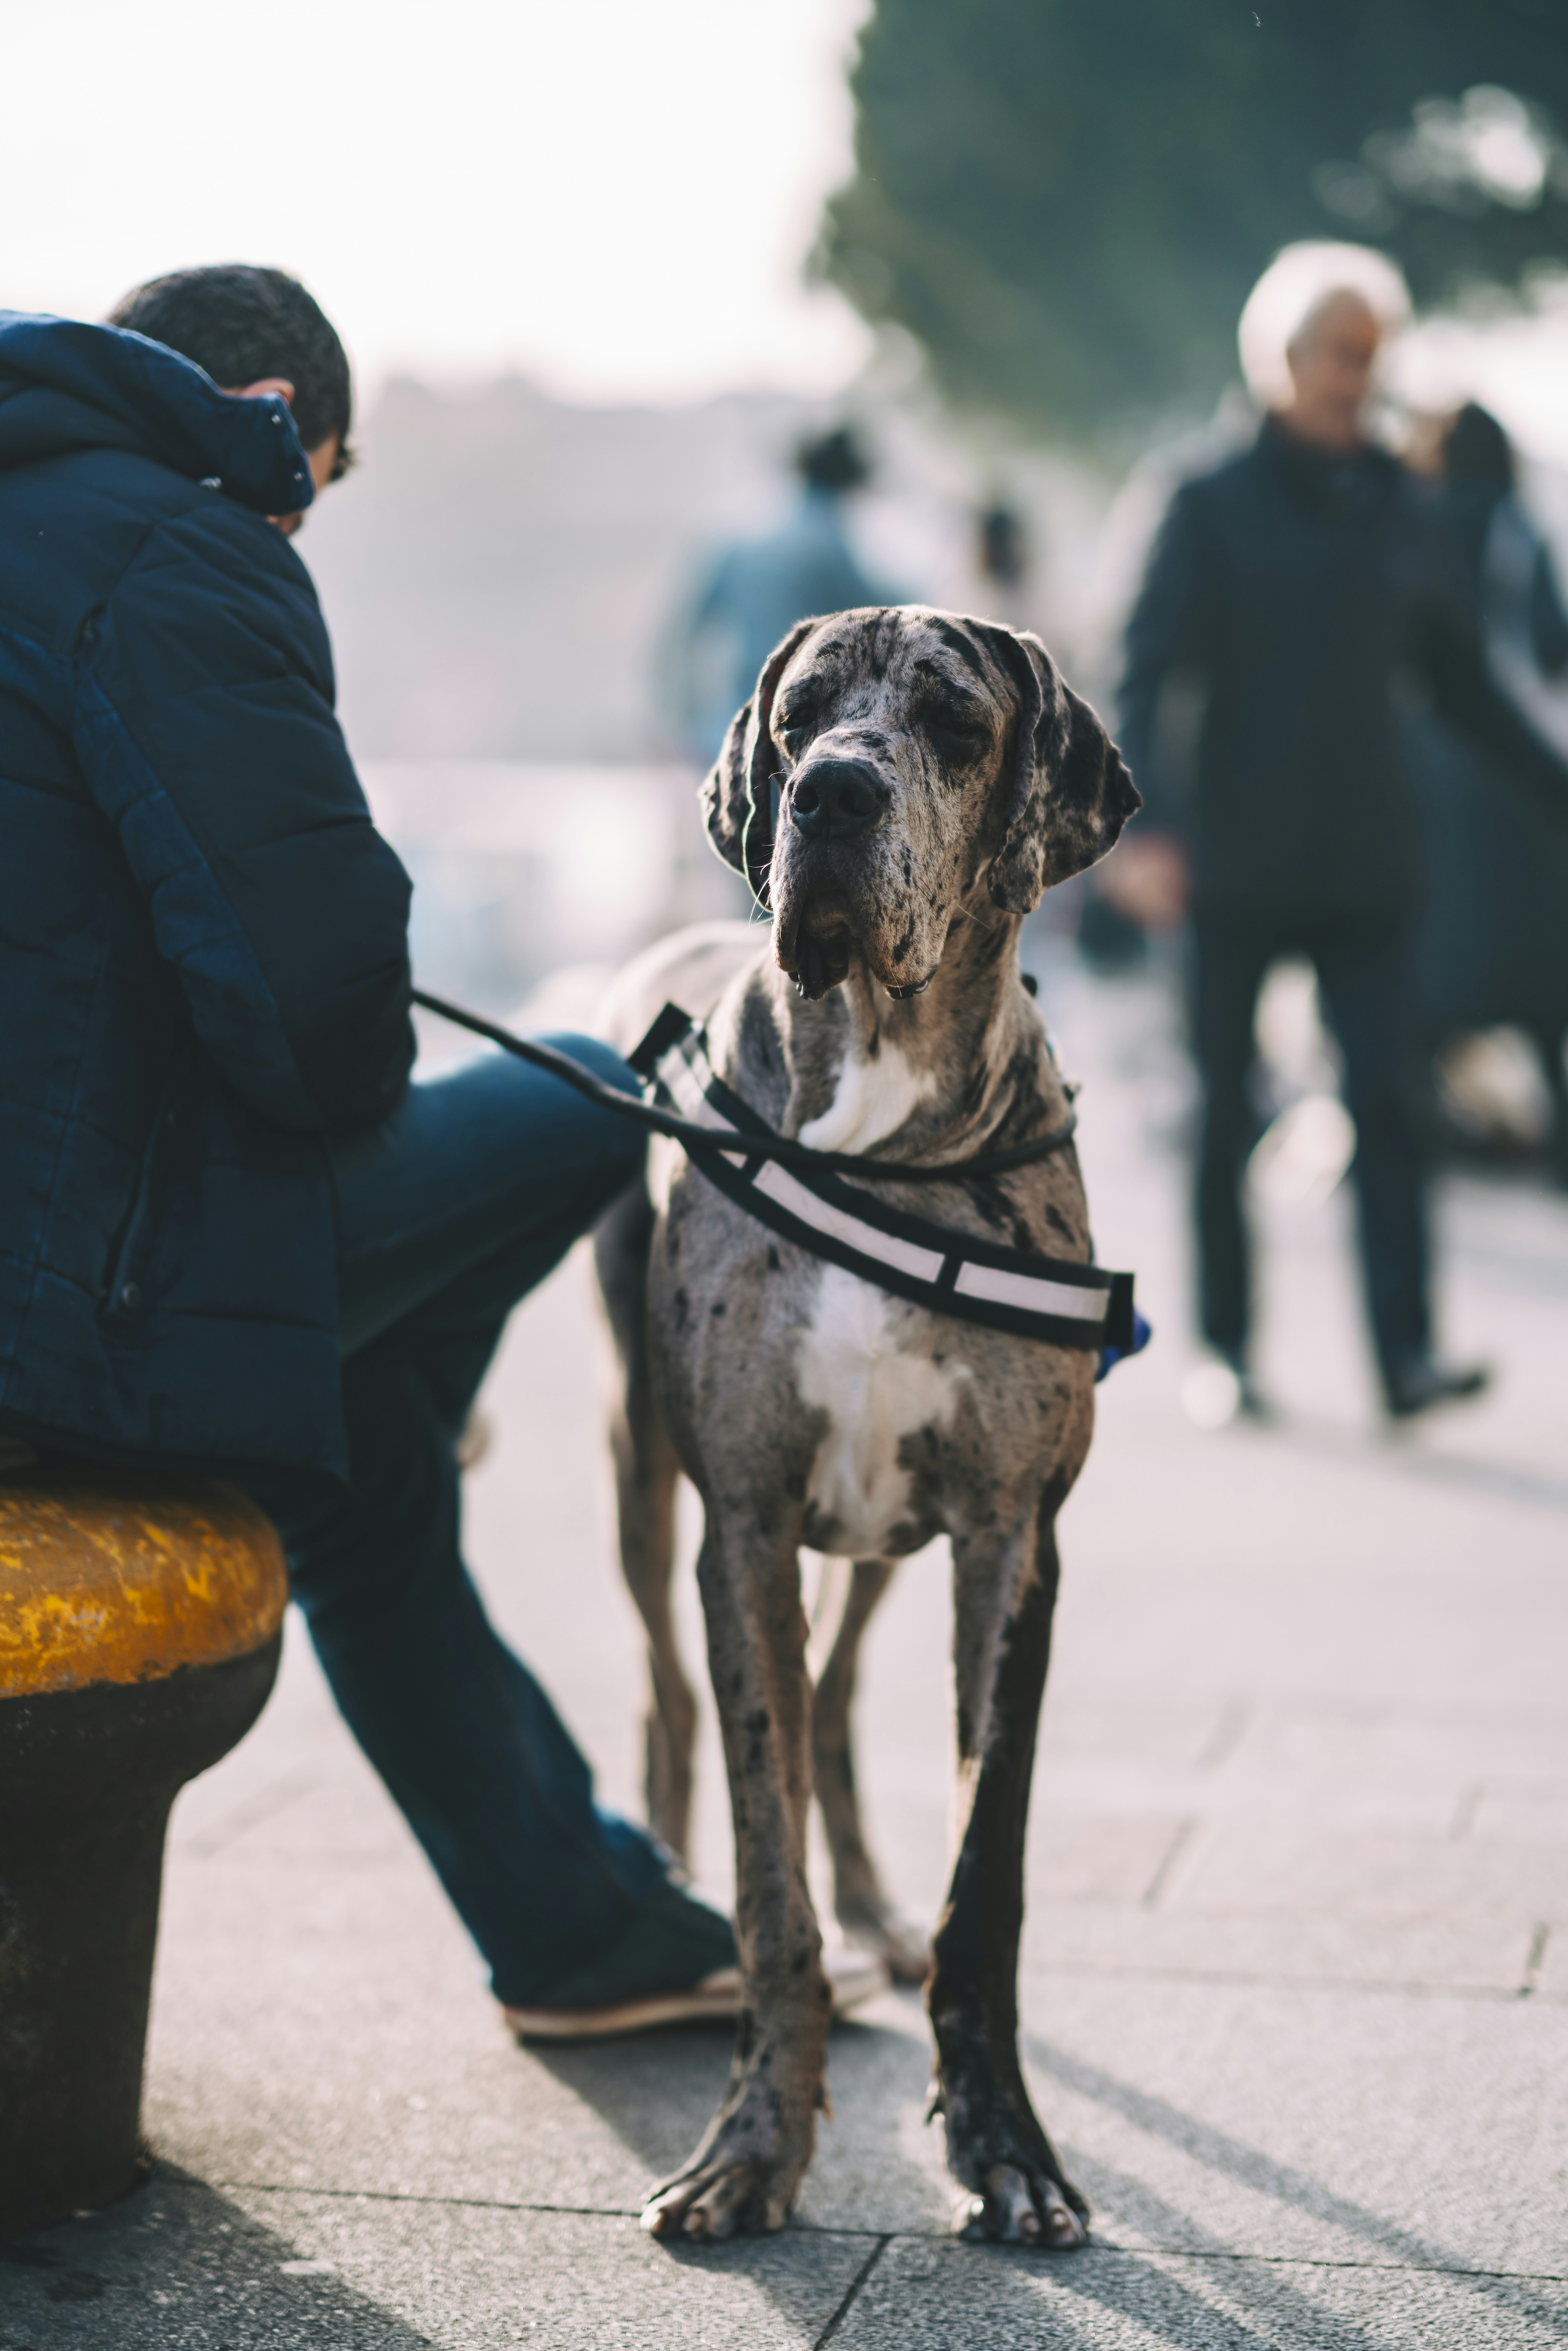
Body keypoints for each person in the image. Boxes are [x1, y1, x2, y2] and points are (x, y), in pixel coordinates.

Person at [0, 267, 877, 2037]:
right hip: (62, 1304)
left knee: (362, 1464)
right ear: (259, 407)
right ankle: (358, 1384)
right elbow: (322, 1009)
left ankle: (582, 1928)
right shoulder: (176, 544)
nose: (302, 514)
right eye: (313, 473)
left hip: (57, 1253)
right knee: (590, 1082)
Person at [1110, 244, 1568, 1423]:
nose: (1355, 379)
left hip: (1370, 862)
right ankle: (1227, 1351)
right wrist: (1138, 828)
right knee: (1224, 1113)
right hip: (1231, 862)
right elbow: (1144, 669)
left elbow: (1465, 687)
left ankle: (1405, 1358)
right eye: (1337, 356)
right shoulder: (1203, 499)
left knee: (1392, 1113)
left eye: (1371, 358)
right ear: (1278, 360)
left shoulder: (1403, 508)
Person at [1407, 402, 1568, 1183]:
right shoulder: (1517, 527)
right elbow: (1550, 642)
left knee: (1441, 946)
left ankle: (1422, 1125)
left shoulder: (1415, 521)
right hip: (1514, 771)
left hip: (1435, 768)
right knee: (1539, 964)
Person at [675, 423, 898, 767]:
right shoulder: (831, 546)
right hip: (803, 721)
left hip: (735, 713)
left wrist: (686, 719)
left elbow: (686, 635)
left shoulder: (740, 542)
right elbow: (891, 613)